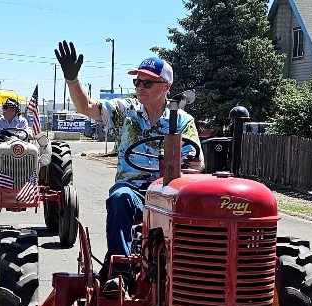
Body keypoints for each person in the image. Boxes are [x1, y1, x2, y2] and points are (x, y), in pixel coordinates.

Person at [54, 40, 203, 288]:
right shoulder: (127, 110)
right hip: (133, 190)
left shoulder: (182, 121)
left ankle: (192, 278)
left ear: (166, 86)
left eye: (147, 82)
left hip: (168, 192)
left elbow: (195, 166)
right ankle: (120, 273)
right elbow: (87, 107)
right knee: (120, 196)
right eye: (137, 82)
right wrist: (72, 80)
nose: (139, 87)